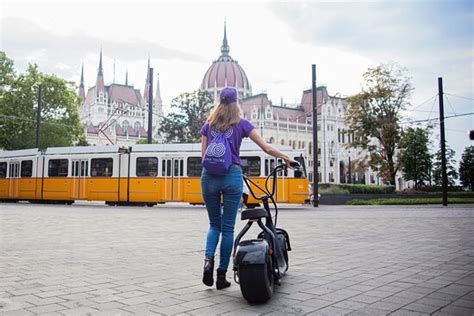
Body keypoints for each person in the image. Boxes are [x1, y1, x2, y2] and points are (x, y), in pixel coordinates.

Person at [200, 87, 296, 289]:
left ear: (219, 102)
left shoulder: (208, 125)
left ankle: (208, 262)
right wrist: (287, 159)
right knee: (227, 228)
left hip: (208, 178)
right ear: (236, 104)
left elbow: (204, 158)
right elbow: (267, 148)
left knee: (214, 225)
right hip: (232, 176)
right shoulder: (242, 124)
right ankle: (221, 276)